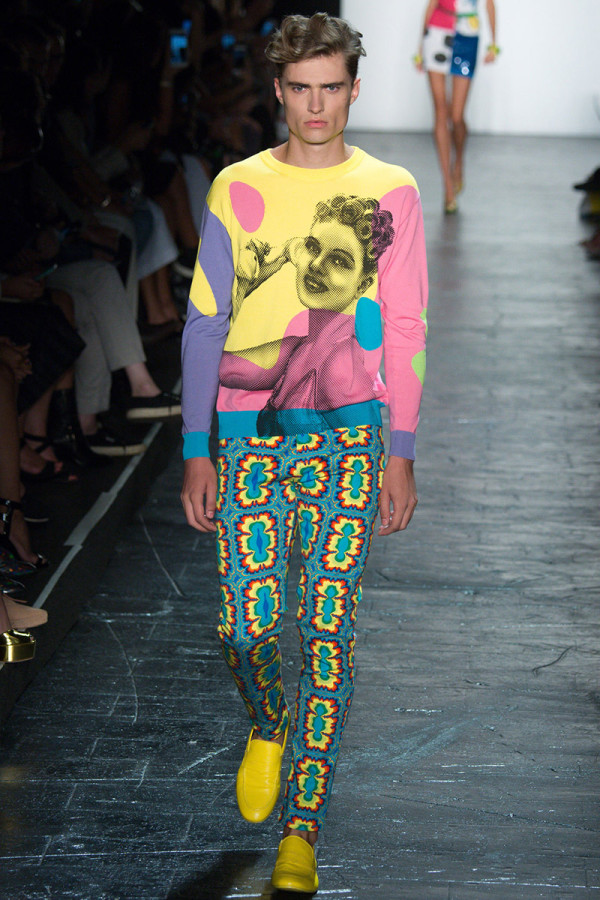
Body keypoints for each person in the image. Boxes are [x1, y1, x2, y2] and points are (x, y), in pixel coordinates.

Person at [181, 12, 428, 894]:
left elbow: (406, 322)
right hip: (248, 437)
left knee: (328, 629)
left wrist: (401, 451)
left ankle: (303, 832)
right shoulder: (236, 185)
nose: (316, 106)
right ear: (277, 91)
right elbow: (205, 319)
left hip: (352, 440)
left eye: (331, 88)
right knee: (244, 626)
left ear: (354, 89)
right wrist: (196, 447)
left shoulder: (392, 189)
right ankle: (268, 721)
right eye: (300, 89)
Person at [414, 0, 499, 213]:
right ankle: (448, 187)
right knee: (440, 112)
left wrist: (493, 44)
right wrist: (420, 47)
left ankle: (458, 161)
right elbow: (432, 3)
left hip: (467, 34)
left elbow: (489, 4)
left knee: (457, 116)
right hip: (436, 32)